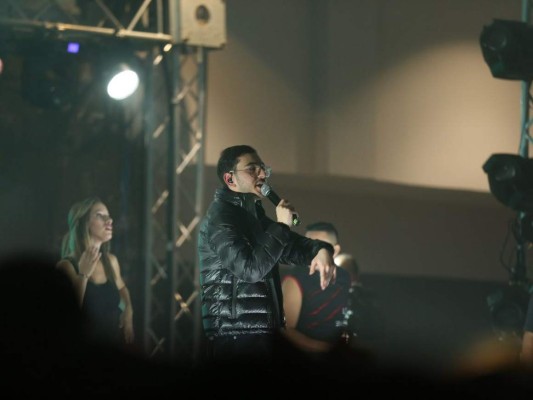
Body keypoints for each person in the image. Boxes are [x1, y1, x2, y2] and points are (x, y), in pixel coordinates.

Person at [197, 144, 337, 366]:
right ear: (230, 179)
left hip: (261, 333)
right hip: (235, 335)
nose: (262, 174)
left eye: (263, 168)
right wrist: (282, 226)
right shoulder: (221, 219)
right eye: (252, 169)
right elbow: (250, 270)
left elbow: (290, 247)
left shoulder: (252, 216)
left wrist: (321, 250)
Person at [57, 196, 134, 349]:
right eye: (100, 215)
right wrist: (83, 275)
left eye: (109, 216)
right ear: (84, 223)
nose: (109, 220)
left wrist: (129, 311)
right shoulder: (66, 266)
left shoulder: (111, 261)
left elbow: (122, 288)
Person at [281, 222, 352, 355]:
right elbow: (286, 330)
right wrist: (325, 349)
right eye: (309, 245)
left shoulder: (344, 277)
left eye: (321, 246)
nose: (314, 252)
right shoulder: (295, 278)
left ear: (335, 250)